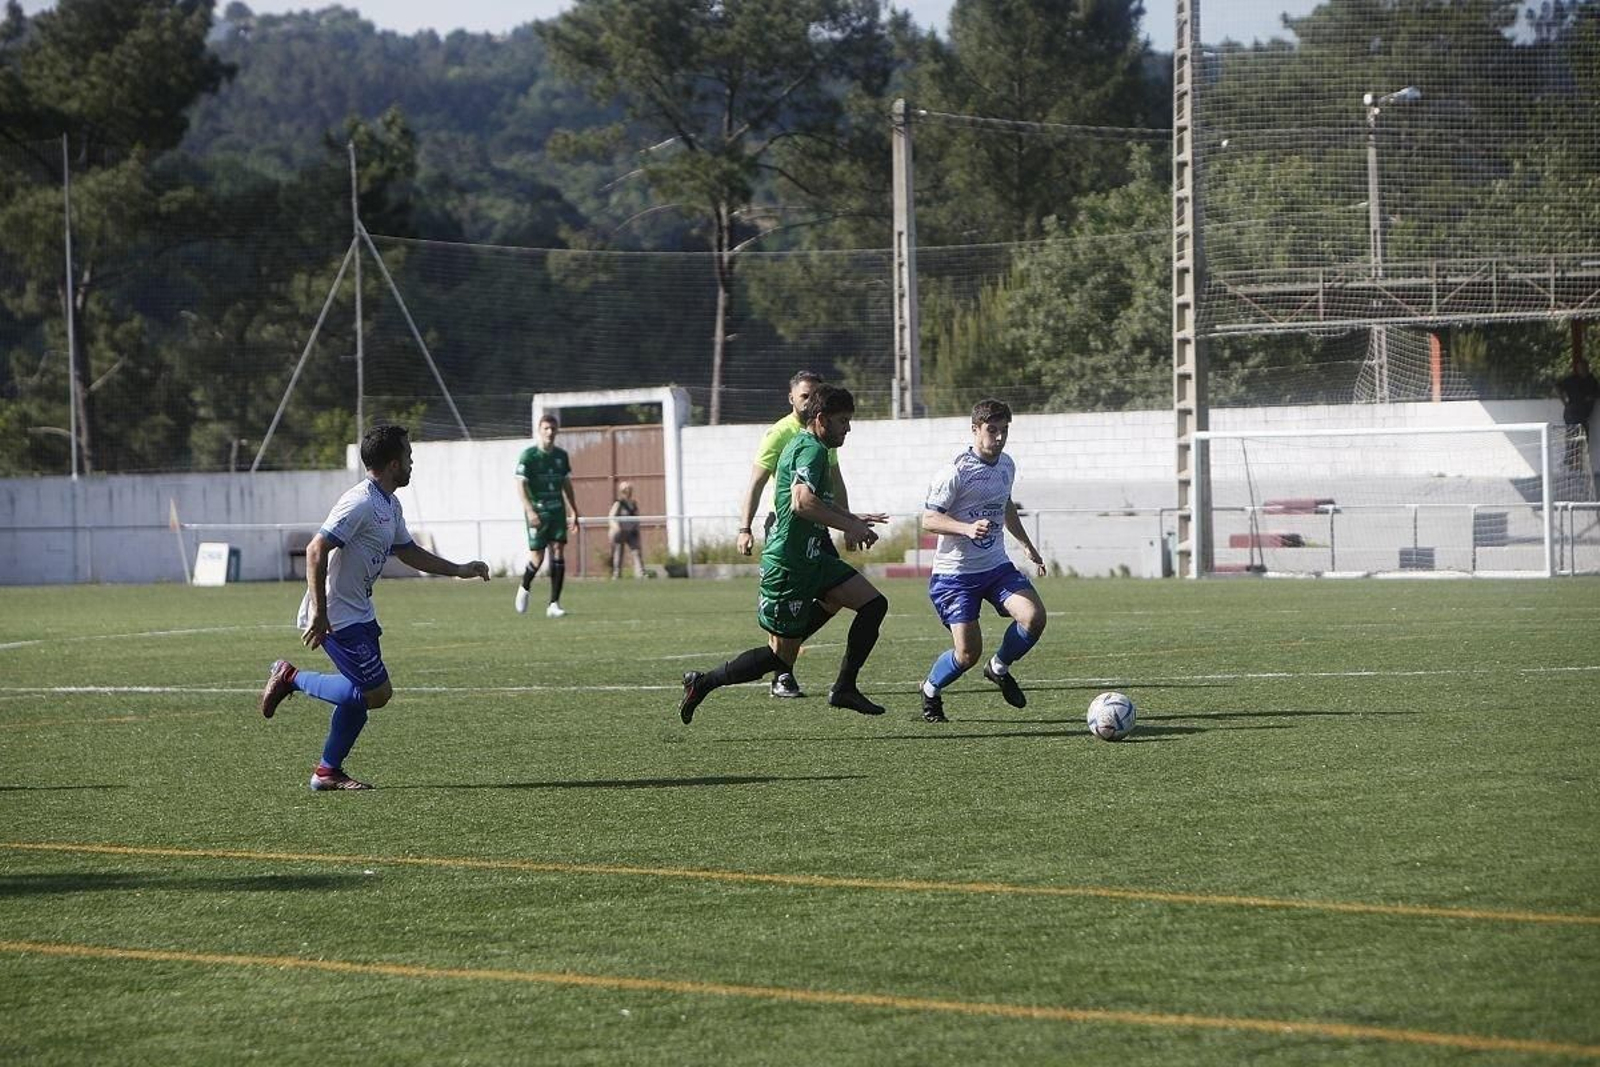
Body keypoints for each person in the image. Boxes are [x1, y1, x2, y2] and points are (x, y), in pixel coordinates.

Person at [258, 425, 490, 790]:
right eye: (409, 457)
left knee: (361, 696)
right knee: (375, 693)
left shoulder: (389, 505)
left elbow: (409, 552)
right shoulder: (361, 501)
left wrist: (459, 569)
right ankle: (290, 677)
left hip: (360, 613)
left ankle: (327, 772)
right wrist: (319, 612)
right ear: (394, 463)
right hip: (336, 615)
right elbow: (316, 549)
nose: (412, 464)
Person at [679, 385, 890, 723]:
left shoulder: (807, 445)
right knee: (781, 660)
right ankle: (704, 683)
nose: (847, 429)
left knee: (873, 604)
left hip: (812, 560)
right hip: (789, 565)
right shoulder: (812, 451)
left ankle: (844, 688)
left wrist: (852, 518)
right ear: (821, 420)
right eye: (843, 421)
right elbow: (802, 502)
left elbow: (815, 498)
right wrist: (848, 528)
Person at [917, 398, 1047, 724]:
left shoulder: (1006, 465)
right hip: (955, 576)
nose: (999, 437)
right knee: (966, 654)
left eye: (1004, 430)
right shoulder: (954, 472)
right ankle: (931, 690)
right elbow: (929, 519)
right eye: (992, 430)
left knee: (1033, 617)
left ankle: (999, 668)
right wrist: (966, 528)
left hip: (995, 567)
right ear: (975, 429)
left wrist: (1027, 546)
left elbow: (1005, 505)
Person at [735, 370, 852, 699]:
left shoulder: (824, 432)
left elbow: (834, 478)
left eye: (815, 394)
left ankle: (783, 658)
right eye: (804, 395)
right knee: (790, 603)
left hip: (818, 526)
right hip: (787, 526)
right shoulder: (780, 434)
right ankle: (782, 673)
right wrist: (744, 528)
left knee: (838, 595)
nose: (810, 400)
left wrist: (849, 521)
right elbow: (756, 482)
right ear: (792, 399)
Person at [514, 414, 580, 617]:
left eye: (553, 428)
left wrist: (574, 510)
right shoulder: (529, 456)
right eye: (546, 428)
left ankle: (554, 604)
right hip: (538, 512)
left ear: (557, 431)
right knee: (538, 557)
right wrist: (530, 510)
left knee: (559, 550)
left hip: (557, 510)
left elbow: (566, 485)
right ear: (539, 430)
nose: (550, 432)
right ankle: (524, 586)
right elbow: (520, 485)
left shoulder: (561, 456)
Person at [1558, 355, 1599, 470]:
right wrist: (1564, 400)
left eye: (1584, 367)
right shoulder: (1572, 380)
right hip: (1572, 413)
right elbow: (1557, 386)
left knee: (1583, 438)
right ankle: (1570, 460)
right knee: (1573, 437)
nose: (1582, 369)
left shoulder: (1592, 380)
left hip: (1584, 415)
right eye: (1580, 367)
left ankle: (1576, 462)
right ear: (1577, 368)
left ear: (1587, 367)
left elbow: (1596, 393)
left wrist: (1591, 397)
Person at [608, 481, 647, 579]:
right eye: (625, 490)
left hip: (632, 532)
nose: (628, 492)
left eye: (629, 489)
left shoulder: (633, 504)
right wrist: (616, 527)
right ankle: (617, 574)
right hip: (621, 532)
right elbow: (611, 517)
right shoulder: (619, 503)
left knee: (636, 552)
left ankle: (640, 574)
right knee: (618, 552)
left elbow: (637, 517)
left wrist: (636, 527)